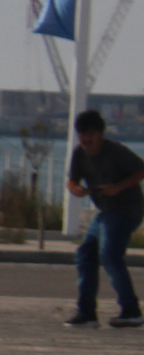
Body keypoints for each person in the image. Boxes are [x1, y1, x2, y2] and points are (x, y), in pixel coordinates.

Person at [66, 108, 144, 328]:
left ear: (100, 134)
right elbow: (72, 181)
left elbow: (141, 170)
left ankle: (131, 311)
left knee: (109, 255)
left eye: (91, 133)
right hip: (105, 212)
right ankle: (87, 313)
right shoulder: (79, 153)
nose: (86, 138)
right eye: (82, 133)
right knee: (85, 254)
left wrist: (118, 187)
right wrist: (76, 189)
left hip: (127, 209)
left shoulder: (115, 151)